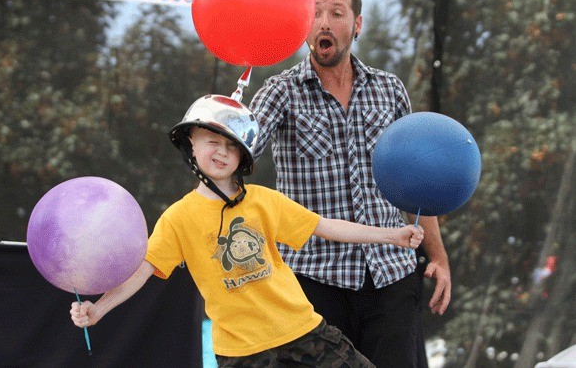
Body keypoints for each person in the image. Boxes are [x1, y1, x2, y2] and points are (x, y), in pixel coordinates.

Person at [70, 94, 424, 367]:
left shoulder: (263, 201)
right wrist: (98, 310)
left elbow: (325, 226)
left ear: (243, 158)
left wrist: (393, 234)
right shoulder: (178, 218)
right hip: (241, 354)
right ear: (190, 143)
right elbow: (140, 272)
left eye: (231, 146)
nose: (221, 151)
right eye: (211, 140)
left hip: (302, 331)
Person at [249, 0, 451, 367]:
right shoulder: (279, 91)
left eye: (336, 13)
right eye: (315, 12)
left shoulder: (389, 90)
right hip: (312, 282)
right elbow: (234, 156)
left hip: (391, 274)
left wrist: (438, 257)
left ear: (356, 25)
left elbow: (414, 184)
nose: (324, 22)